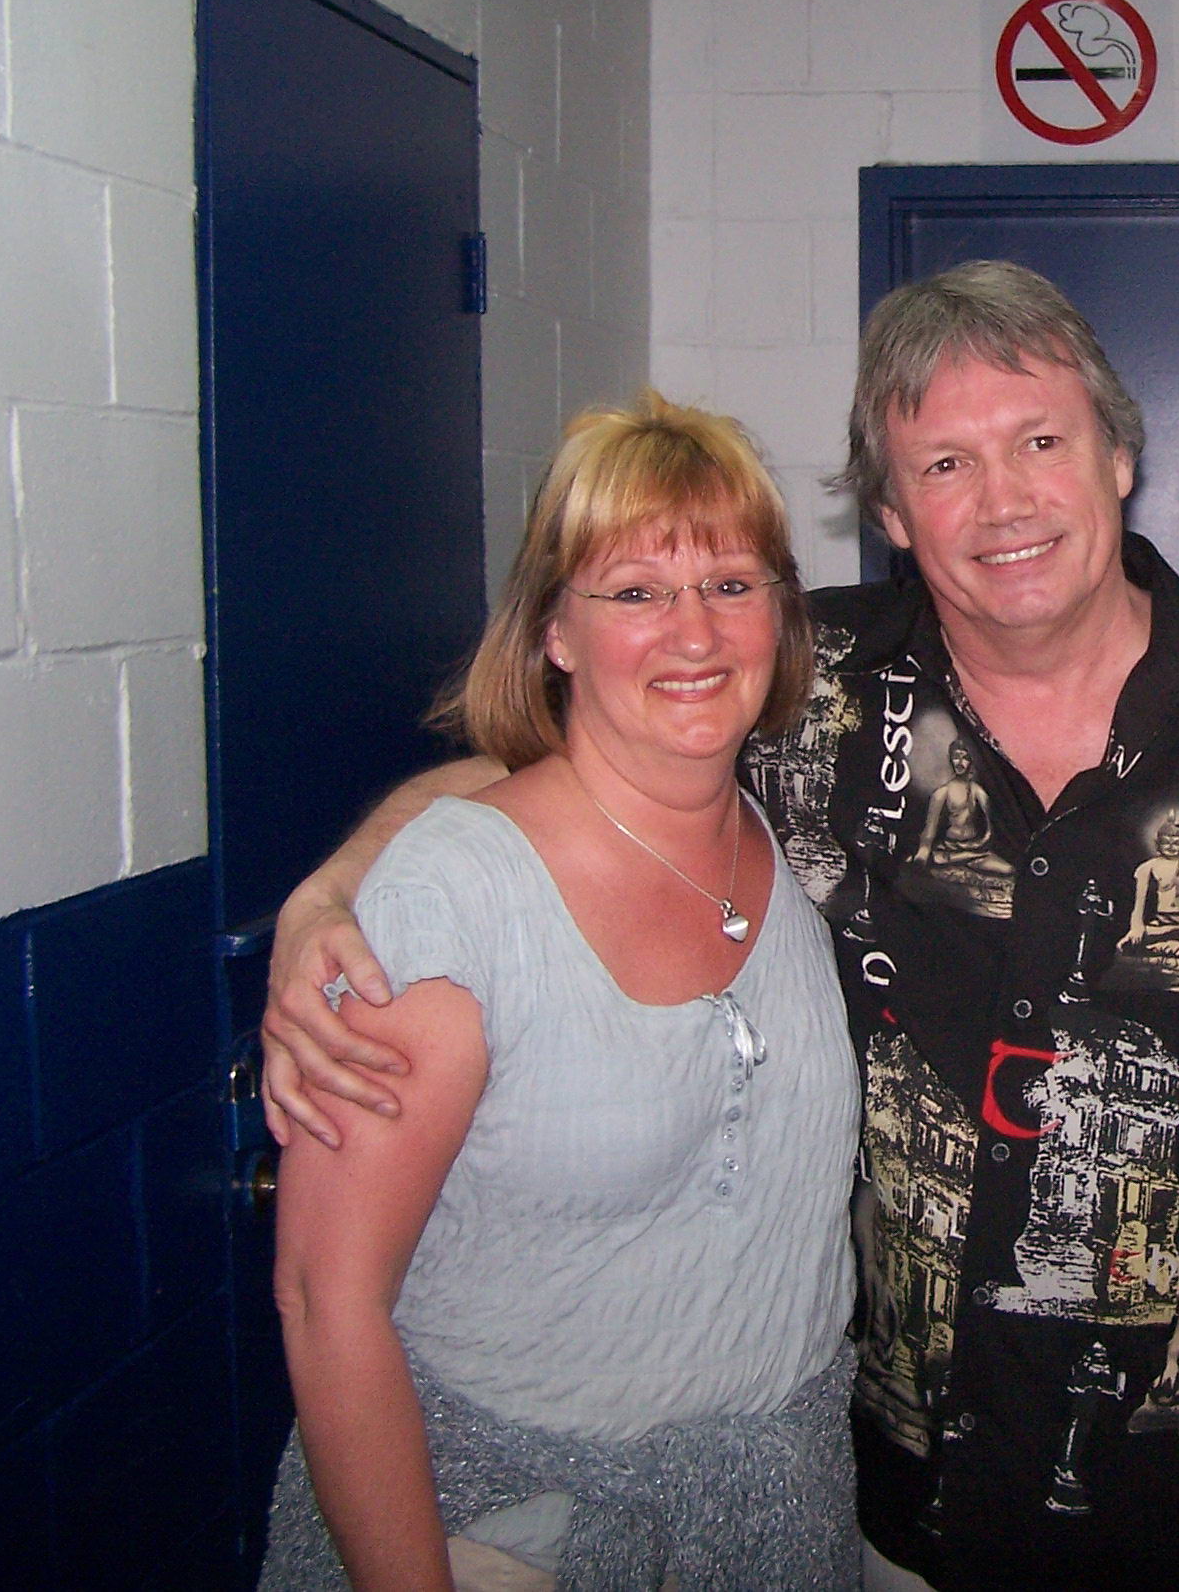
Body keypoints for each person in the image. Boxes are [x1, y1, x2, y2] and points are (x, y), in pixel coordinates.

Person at [262, 262, 1179, 1592]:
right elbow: (570, 766)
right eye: (945, 464)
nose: (1004, 501)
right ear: (889, 512)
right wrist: (340, 885)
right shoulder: (805, 690)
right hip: (906, 1502)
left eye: (1040, 442)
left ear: (1118, 458)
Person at [257, 393, 861, 1592]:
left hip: (776, 1511)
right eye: (635, 592)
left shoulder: (785, 824)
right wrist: (320, 895)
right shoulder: (453, 895)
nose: (694, 630)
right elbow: (326, 1299)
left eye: (730, 583)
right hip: (500, 1522)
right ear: (555, 633)